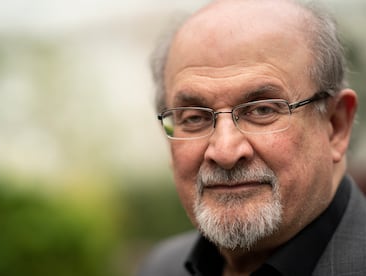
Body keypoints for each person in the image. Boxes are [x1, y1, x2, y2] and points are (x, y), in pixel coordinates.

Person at [138, 0, 365, 275]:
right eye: (195, 118)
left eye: (262, 110)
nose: (224, 151)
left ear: (336, 125)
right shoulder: (162, 267)